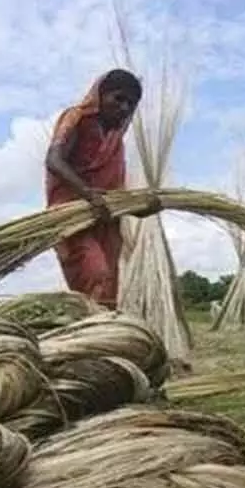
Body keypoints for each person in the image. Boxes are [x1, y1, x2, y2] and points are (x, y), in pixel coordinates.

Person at [44, 68, 160, 310]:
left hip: (106, 219)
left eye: (131, 103)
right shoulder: (76, 117)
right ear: (100, 95)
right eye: (118, 98)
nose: (125, 107)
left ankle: (101, 338)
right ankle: (92, 332)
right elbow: (54, 160)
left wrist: (142, 207)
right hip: (72, 214)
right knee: (96, 273)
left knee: (109, 287)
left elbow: (115, 192)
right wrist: (88, 195)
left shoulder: (116, 138)